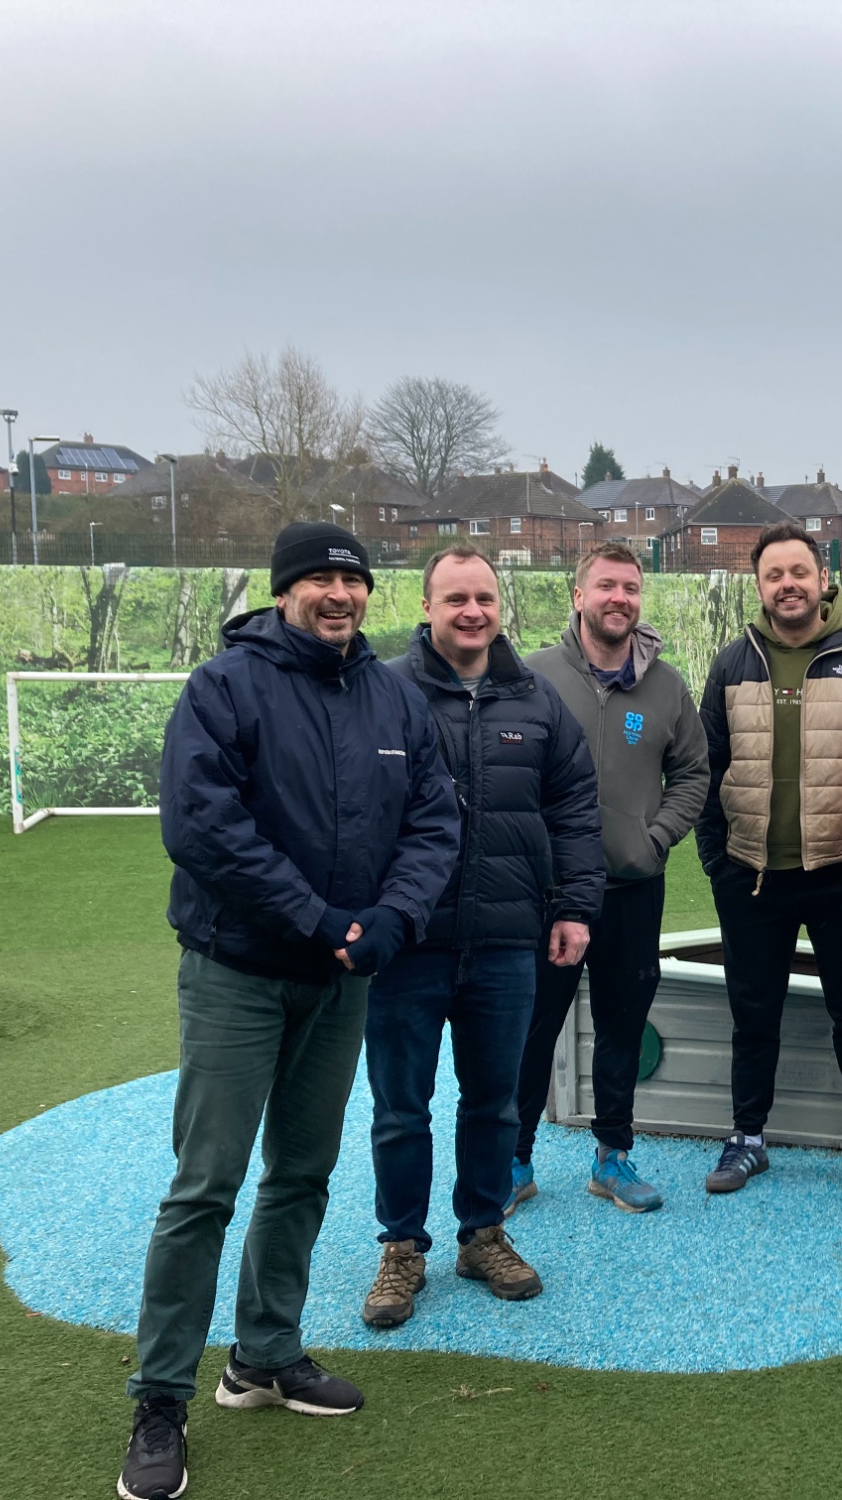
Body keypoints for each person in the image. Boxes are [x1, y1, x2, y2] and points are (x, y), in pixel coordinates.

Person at [120, 522, 459, 1500]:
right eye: (318, 578)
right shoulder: (224, 688)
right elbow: (201, 826)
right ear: (283, 593)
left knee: (303, 1172)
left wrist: (392, 918)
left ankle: (263, 1355)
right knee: (206, 1186)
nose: (337, 594)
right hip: (239, 969)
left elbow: (436, 817)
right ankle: (158, 1401)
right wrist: (316, 918)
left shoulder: (394, 693)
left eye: (351, 579)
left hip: (344, 976)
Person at [358, 544, 605, 1330]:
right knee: (402, 1107)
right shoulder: (382, 695)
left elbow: (573, 809)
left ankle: (482, 1232)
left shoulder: (535, 701)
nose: (472, 612)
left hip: (506, 940)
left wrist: (572, 908)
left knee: (494, 1103)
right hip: (407, 943)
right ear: (425, 606)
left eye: (485, 599)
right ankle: (401, 1247)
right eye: (456, 598)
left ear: (503, 609)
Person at [696, 522, 842, 1197]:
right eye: (773, 576)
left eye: (798, 572)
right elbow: (707, 768)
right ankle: (747, 1138)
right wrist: (716, 860)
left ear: (822, 580)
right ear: (759, 587)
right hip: (752, 878)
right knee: (753, 1014)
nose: (787, 585)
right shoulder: (734, 663)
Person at [514, 543, 708, 1212]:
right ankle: (512, 1161)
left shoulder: (666, 687)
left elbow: (693, 776)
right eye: (606, 585)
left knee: (623, 1025)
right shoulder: (530, 676)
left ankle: (612, 1157)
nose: (619, 597)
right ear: (578, 595)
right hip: (545, 895)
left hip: (630, 890)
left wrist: (653, 840)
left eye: (630, 586)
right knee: (531, 1027)